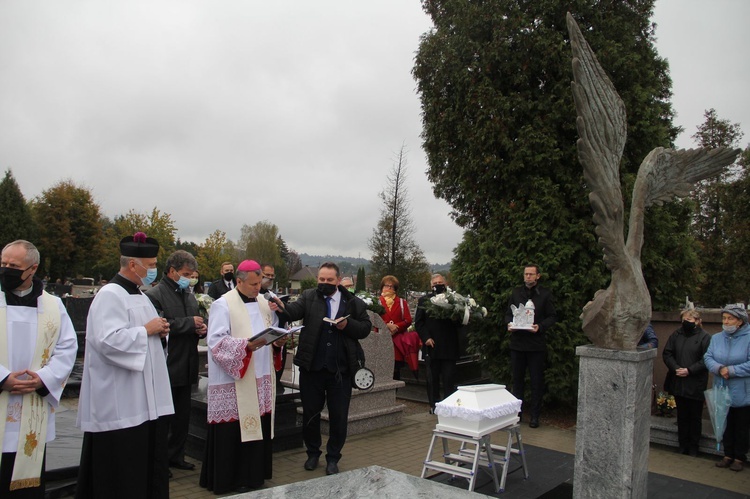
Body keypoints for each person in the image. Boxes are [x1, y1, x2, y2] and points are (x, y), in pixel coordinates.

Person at [76, 232, 173, 499]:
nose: (153, 270)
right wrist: (146, 330)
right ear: (133, 264)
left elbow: (150, 336)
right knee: (122, 469)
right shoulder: (110, 295)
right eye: (151, 265)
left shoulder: (141, 296)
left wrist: (161, 332)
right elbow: (106, 341)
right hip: (122, 400)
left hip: (145, 401)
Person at [199, 260, 284, 493]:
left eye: (260, 283)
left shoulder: (264, 303)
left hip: (261, 375)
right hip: (234, 379)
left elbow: (273, 330)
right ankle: (230, 479)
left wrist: (280, 341)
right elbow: (215, 342)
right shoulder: (222, 304)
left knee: (259, 426)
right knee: (233, 431)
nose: (258, 287)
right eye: (253, 283)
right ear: (239, 281)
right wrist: (246, 346)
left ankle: (254, 477)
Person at [0, 240, 77, 497]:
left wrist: (43, 379)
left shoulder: (53, 306)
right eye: (3, 263)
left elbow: (67, 348)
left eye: (13, 265)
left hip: (33, 401)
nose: (5, 269)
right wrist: (2, 379)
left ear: (32, 269)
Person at [280, 262, 371, 476]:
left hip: (341, 370)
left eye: (329, 280)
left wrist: (346, 326)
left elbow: (365, 328)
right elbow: (292, 312)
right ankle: (313, 453)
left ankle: (333, 457)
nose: (325, 283)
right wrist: (279, 307)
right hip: (312, 368)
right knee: (310, 414)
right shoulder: (309, 296)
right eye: (322, 279)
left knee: (339, 417)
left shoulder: (352, 302)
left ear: (338, 281)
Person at [145, 250, 207, 472]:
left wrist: (201, 329)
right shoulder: (155, 295)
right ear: (172, 271)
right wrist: (189, 323)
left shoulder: (189, 295)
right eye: (185, 273)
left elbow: (193, 322)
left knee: (182, 418)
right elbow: (161, 325)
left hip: (188, 364)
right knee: (164, 420)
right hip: (168, 365)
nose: (190, 278)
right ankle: (160, 461)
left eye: (192, 274)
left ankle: (176, 456)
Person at [504, 264, 557, 428]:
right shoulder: (516, 293)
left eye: (531, 274)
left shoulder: (545, 294)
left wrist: (540, 327)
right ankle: (517, 414)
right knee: (517, 382)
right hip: (518, 344)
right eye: (526, 274)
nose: (528, 277)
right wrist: (508, 324)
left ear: (538, 276)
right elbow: (507, 314)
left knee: (536, 382)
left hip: (536, 345)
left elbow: (553, 316)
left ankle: (535, 416)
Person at [704, 303, 750, 472]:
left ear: (740, 321)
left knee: (741, 426)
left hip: (743, 392)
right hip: (721, 389)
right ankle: (727, 454)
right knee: (725, 423)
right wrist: (718, 368)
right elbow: (708, 357)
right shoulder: (717, 338)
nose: (726, 321)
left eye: (730, 318)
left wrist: (731, 370)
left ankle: (739, 457)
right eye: (724, 318)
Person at [662, 309, 710, 456]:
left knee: (694, 417)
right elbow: (667, 353)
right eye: (684, 319)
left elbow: (706, 359)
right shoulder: (676, 334)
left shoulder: (705, 337)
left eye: (690, 320)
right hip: (678, 381)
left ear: (698, 321)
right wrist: (675, 368)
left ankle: (694, 447)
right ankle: (682, 445)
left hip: (695, 383)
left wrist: (689, 370)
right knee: (681, 416)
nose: (687, 322)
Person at [415, 273, 460, 413]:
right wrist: (426, 338)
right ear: (430, 286)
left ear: (445, 284)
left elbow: (459, 322)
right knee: (432, 379)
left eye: (440, 283)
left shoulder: (453, 300)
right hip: (432, 346)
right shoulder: (424, 301)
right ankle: (434, 405)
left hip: (449, 345)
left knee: (448, 378)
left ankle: (449, 405)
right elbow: (419, 322)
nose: (437, 286)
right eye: (435, 284)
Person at [378, 275, 419, 380]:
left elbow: (408, 320)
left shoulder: (402, 302)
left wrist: (396, 327)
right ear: (382, 287)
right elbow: (372, 319)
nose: (389, 288)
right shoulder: (377, 302)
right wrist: (386, 325)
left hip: (397, 342)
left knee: (396, 372)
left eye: (392, 286)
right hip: (381, 340)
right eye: (386, 286)